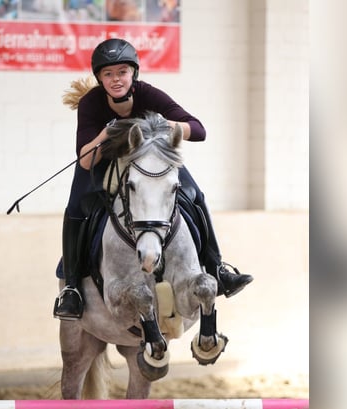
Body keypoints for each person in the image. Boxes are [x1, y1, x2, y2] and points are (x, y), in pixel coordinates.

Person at [54, 38, 253, 320]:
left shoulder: (148, 94)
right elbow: (86, 159)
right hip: (104, 162)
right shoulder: (91, 102)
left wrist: (164, 124)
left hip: (149, 160)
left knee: (195, 195)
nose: (116, 79)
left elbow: (199, 130)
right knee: (76, 207)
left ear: (133, 73)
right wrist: (107, 133)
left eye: (122, 72)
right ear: (99, 77)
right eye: (108, 74)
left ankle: (217, 267)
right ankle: (72, 288)